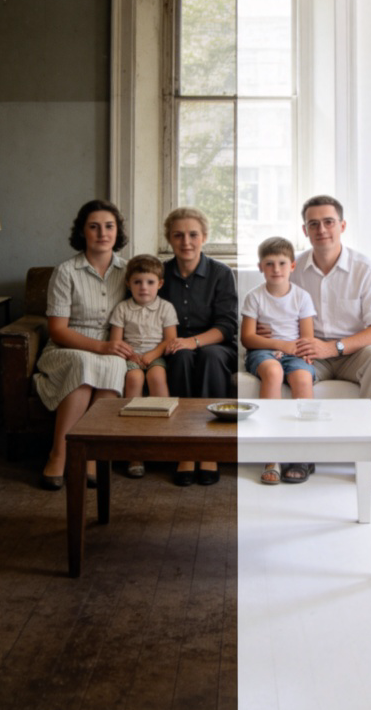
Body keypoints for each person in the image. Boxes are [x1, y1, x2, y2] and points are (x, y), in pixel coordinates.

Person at [289, 195, 371, 491]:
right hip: (311, 353)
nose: (321, 229)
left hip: (354, 352)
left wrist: (334, 347)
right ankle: (302, 454)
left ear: (342, 225)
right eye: (313, 224)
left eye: (328, 222)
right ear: (305, 231)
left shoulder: (366, 269)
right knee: (290, 365)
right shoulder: (294, 269)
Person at [34, 199, 133, 491]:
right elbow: (57, 330)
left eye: (109, 226)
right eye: (94, 227)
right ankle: (59, 453)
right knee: (84, 362)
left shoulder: (129, 271)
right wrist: (100, 347)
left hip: (111, 346)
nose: (102, 233)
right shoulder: (66, 271)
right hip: (67, 347)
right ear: (83, 232)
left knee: (115, 363)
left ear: (117, 232)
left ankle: (91, 456)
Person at [161, 206, 238, 486]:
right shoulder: (159, 274)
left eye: (193, 234)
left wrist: (193, 341)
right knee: (181, 357)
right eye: (178, 235)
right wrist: (179, 345)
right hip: (174, 347)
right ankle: (185, 449)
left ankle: (209, 448)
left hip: (216, 346)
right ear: (169, 239)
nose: (186, 241)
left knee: (210, 357)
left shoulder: (221, 273)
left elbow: (227, 327)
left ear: (204, 237)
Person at [240, 236, 317, 485]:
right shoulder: (255, 297)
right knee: (273, 373)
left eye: (282, 263)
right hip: (263, 352)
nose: (276, 269)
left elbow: (307, 337)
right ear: (260, 267)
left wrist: (291, 350)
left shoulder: (302, 297)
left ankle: (302, 454)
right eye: (269, 263)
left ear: (292, 266)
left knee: (303, 378)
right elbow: (248, 339)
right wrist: (278, 345)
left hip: (296, 351)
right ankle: (270, 455)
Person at [108, 253, 178, 478]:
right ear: (128, 283)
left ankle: (165, 440)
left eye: (149, 282)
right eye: (137, 282)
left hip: (156, 355)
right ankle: (133, 450)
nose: (144, 288)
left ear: (160, 284)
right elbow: (115, 340)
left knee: (157, 377)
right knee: (134, 379)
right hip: (130, 358)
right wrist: (131, 355)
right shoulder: (122, 308)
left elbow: (169, 339)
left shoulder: (166, 308)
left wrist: (152, 354)